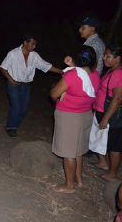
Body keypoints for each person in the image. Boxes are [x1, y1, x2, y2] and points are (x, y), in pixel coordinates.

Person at [50, 46, 100, 193]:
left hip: (69, 116)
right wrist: (72, 66)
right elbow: (82, 77)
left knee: (69, 153)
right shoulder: (95, 74)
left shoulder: (72, 75)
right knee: (78, 150)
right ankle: (79, 179)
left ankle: (69, 185)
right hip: (85, 115)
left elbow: (53, 93)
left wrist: (62, 92)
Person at [0, 34, 62, 138]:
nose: (34, 46)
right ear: (25, 43)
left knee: (23, 108)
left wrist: (61, 71)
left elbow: (46, 66)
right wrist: (10, 80)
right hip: (13, 84)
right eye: (32, 43)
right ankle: (11, 127)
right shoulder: (13, 54)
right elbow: (3, 67)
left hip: (26, 85)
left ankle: (14, 125)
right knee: (16, 106)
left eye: (35, 44)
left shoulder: (34, 56)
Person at [92, 44, 122, 181]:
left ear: (118, 58)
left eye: (108, 56)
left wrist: (106, 118)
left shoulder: (118, 74)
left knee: (114, 144)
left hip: (111, 115)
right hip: (101, 110)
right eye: (105, 55)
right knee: (101, 138)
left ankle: (113, 173)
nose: (104, 58)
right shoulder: (111, 70)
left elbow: (117, 98)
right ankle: (103, 163)